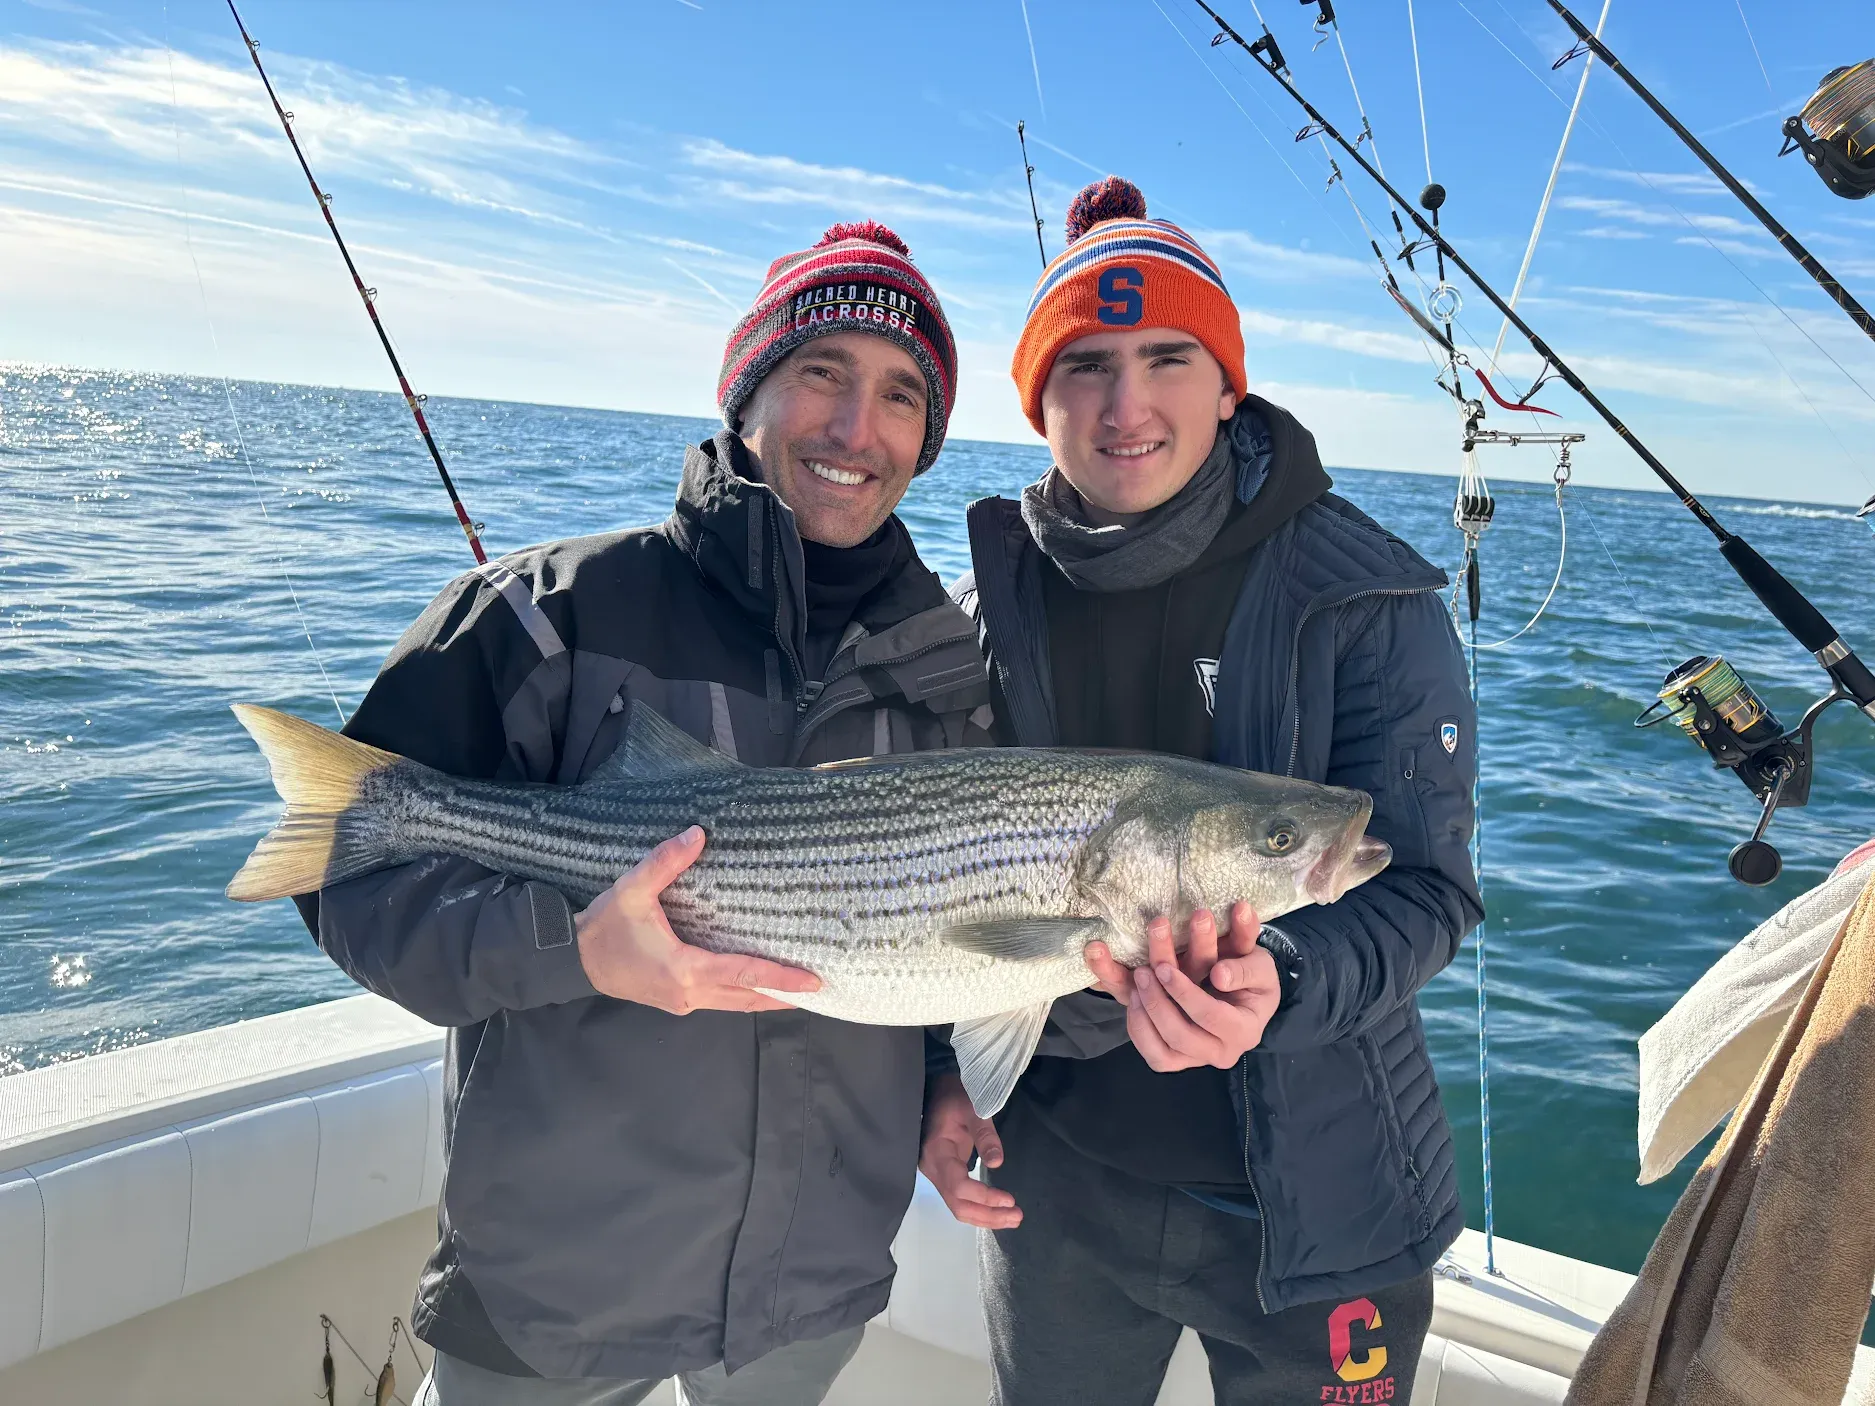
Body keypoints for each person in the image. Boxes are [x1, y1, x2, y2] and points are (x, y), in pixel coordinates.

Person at [296, 221, 995, 1404]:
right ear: (747, 391)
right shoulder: (543, 614)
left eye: (900, 393)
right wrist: (572, 947)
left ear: (928, 437)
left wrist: (944, 1081)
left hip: (809, 1284)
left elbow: (936, 932)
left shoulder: (949, 672)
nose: (854, 427)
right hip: (556, 1284)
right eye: (821, 370)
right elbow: (349, 877)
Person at [920, 178, 1484, 1406]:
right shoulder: (981, 607)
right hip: (1053, 1186)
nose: (1128, 403)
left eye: (1168, 356)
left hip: (1324, 1201)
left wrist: (1285, 977)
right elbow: (934, 888)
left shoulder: (1372, 601)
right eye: (1085, 364)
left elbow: (1431, 892)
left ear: (1228, 384)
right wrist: (945, 1077)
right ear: (1039, 402)